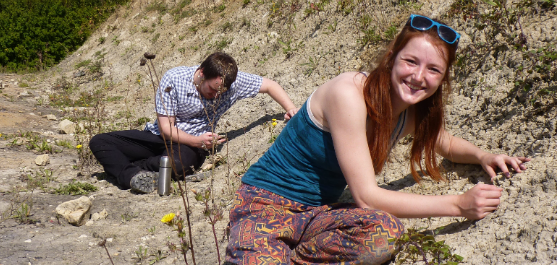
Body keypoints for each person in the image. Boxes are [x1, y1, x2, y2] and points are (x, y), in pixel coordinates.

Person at [225, 14, 530, 264]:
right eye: (411, 61)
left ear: (443, 79)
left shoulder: (408, 113)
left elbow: (443, 143)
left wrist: (483, 157)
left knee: (385, 233)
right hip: (264, 205)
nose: (419, 76)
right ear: (392, 58)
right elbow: (366, 198)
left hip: (319, 213)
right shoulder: (349, 93)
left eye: (433, 69)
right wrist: (458, 205)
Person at [89, 52, 298, 194]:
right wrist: (198, 140)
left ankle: (137, 168)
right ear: (201, 73)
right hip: (159, 136)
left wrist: (290, 109)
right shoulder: (174, 79)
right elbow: (165, 128)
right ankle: (132, 176)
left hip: (189, 147)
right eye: (212, 89)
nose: (217, 95)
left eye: (221, 92)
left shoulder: (230, 82)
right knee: (99, 141)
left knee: (175, 164)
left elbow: (270, 85)